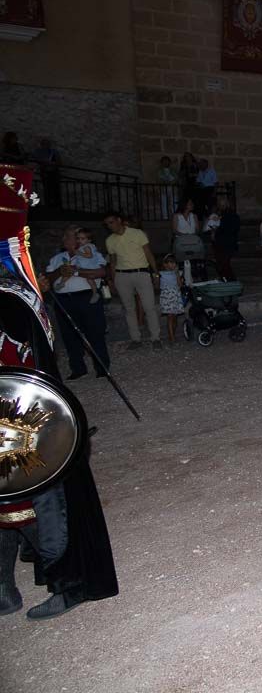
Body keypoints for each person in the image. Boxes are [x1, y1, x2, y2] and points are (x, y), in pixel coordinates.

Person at [0, 164, 118, 620]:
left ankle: (69, 583)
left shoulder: (12, 299)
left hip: (29, 424)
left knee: (40, 497)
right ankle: (5, 585)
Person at [45, 225, 111, 380]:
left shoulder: (92, 254)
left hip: (86, 296)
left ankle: (102, 367)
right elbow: (47, 279)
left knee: (95, 332)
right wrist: (60, 271)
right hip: (63, 299)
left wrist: (76, 271)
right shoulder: (56, 259)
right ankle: (77, 368)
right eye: (68, 237)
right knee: (69, 335)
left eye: (73, 236)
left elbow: (101, 272)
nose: (68, 240)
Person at [102, 211, 161, 350]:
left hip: (141, 272)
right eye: (107, 224)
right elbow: (113, 262)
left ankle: (156, 338)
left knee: (149, 307)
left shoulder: (137, 233)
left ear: (119, 220)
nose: (110, 226)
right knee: (129, 309)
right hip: (122, 275)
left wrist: (156, 273)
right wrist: (113, 280)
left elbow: (148, 253)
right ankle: (135, 339)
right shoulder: (110, 240)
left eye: (111, 222)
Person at [63, 228, 107, 304]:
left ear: (89, 240)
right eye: (78, 238)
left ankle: (94, 293)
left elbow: (89, 255)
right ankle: (95, 293)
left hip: (89, 266)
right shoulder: (82, 247)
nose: (79, 240)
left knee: (86, 277)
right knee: (73, 272)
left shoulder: (87, 246)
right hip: (83, 266)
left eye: (82, 239)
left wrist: (79, 253)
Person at [210, 196, 240, 280]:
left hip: (226, 243)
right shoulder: (220, 215)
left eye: (223, 204)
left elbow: (230, 229)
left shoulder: (231, 215)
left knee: (224, 264)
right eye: (220, 204)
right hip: (222, 243)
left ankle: (231, 281)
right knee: (222, 264)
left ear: (227, 205)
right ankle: (227, 280)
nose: (221, 206)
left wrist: (215, 231)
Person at [158, 254, 185, 342]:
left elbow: (180, 285)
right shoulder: (161, 274)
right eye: (170, 263)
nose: (173, 265)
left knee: (175, 317)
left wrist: (177, 274)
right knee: (170, 316)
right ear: (165, 264)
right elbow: (158, 285)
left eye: (174, 263)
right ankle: (171, 337)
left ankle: (172, 333)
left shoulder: (178, 273)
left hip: (176, 296)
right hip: (167, 297)